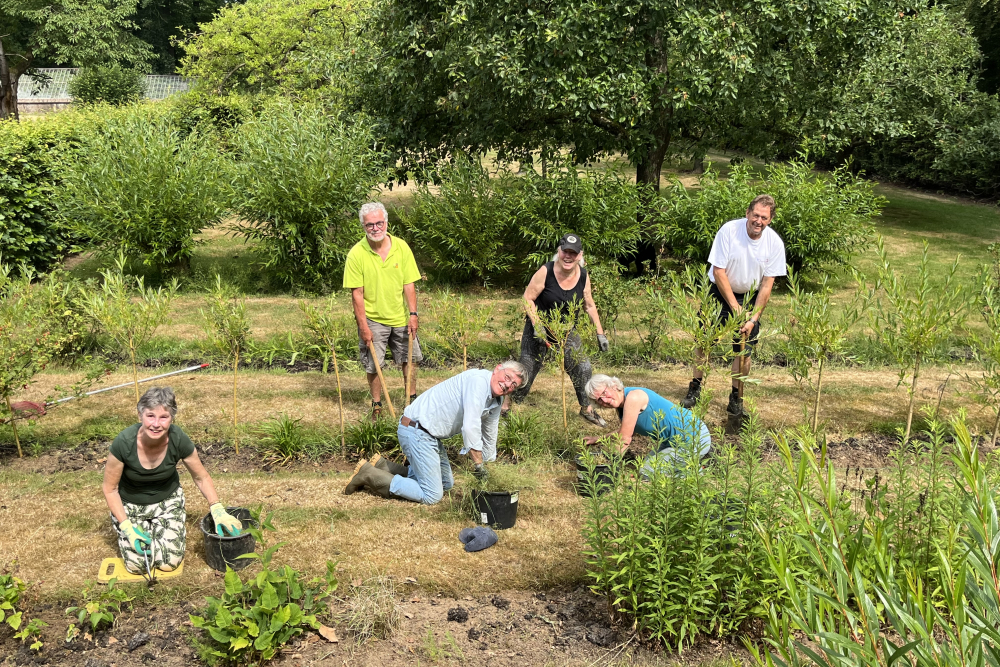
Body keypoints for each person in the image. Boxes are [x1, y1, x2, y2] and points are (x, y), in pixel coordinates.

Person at [101, 387, 241, 575]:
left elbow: (201, 477)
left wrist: (217, 508)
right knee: (139, 566)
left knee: (168, 563)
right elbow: (110, 489)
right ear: (140, 415)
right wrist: (126, 527)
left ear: (172, 418)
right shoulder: (124, 442)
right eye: (150, 416)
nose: (156, 424)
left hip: (167, 502)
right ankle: (141, 529)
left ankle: (159, 528)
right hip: (130, 504)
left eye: (164, 417)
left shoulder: (178, 439)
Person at [344, 361, 527, 505]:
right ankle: (369, 474)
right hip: (415, 430)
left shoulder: (496, 399)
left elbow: (490, 434)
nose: (507, 385)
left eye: (513, 385)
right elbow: (470, 426)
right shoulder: (479, 382)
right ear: (497, 369)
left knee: (447, 484)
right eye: (508, 377)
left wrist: (490, 468)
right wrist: (479, 465)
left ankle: (384, 466)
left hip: (430, 436)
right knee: (432, 494)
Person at [682, 195, 786, 417]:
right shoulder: (729, 231)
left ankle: (736, 399)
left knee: (743, 351)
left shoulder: (774, 243)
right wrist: (735, 308)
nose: (758, 221)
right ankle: (695, 388)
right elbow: (718, 271)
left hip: (750, 297)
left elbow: (767, 285)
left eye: (764, 217)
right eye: (755, 215)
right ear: (747, 213)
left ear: (770, 219)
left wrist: (752, 318)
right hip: (719, 292)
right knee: (704, 341)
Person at [506, 233, 608, 426]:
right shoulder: (546, 271)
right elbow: (527, 298)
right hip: (539, 328)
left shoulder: (583, 275)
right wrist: (537, 326)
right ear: (559, 251)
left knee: (583, 367)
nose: (568, 256)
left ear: (580, 255)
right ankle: (506, 406)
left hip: (566, 330)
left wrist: (600, 333)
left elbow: (589, 304)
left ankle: (586, 409)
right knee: (527, 367)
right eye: (565, 251)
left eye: (573, 253)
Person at [343, 202, 422, 421]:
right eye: (370, 225)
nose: (375, 228)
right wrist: (363, 326)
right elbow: (357, 294)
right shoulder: (356, 254)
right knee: (374, 364)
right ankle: (377, 405)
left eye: (379, 223)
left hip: (400, 316)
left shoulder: (401, 247)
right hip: (373, 319)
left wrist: (413, 314)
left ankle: (412, 402)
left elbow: (409, 284)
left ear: (386, 222)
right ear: (363, 226)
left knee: (410, 359)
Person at [583, 374, 711, 476]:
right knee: (646, 468)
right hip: (671, 442)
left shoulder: (633, 397)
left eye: (604, 393)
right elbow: (626, 429)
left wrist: (609, 466)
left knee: (646, 473)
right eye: (599, 400)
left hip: (694, 438)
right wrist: (598, 439)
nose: (604, 400)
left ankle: (695, 473)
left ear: (614, 386)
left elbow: (624, 439)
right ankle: (689, 465)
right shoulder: (621, 404)